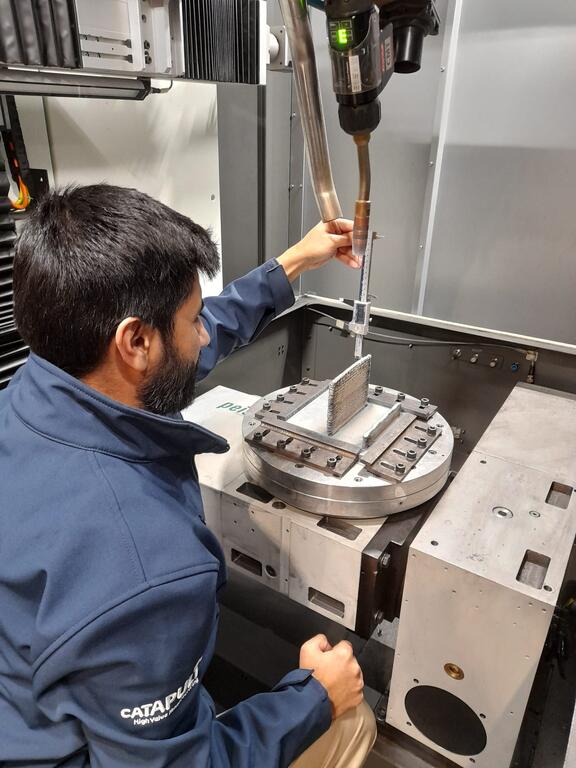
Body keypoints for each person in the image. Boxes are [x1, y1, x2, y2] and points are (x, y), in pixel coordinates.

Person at [0, 184, 377, 768]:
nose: (204, 335)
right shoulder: (147, 574)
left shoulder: (38, 391)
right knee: (354, 720)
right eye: (192, 319)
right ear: (136, 342)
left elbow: (193, 343)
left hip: (26, 710)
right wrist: (313, 699)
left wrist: (295, 262)